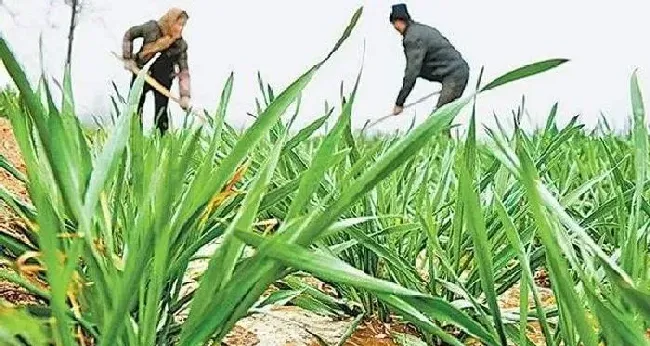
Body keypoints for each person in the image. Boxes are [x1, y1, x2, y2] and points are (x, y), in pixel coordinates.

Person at [389, 4, 470, 118]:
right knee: (442, 118)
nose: (395, 28)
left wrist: (399, 102)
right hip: (455, 73)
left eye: (394, 24)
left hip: (454, 75)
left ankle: (442, 135)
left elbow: (412, 73)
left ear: (398, 21)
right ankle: (445, 135)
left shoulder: (413, 38)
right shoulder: (420, 30)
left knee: (437, 119)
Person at [122, 7, 191, 134]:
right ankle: (132, 137)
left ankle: (161, 141)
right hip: (142, 74)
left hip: (163, 80)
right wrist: (128, 58)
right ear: (170, 21)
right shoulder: (151, 28)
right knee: (134, 109)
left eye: (183, 25)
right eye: (178, 24)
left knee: (161, 113)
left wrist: (185, 96)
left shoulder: (180, 45)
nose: (180, 29)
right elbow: (129, 35)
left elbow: (183, 71)